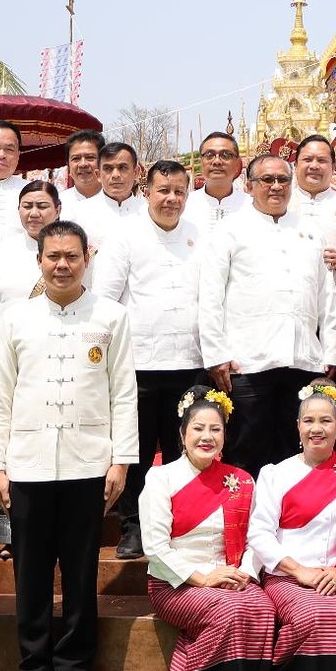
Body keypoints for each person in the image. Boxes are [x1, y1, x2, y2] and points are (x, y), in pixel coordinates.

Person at [0, 220, 139, 671]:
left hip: (89, 464)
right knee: (29, 576)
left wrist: (120, 460)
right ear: (39, 260)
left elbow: (123, 391)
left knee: (81, 572)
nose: (62, 265)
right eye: (53, 257)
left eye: (71, 256)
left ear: (86, 258)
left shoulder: (111, 316)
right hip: (26, 465)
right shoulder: (17, 318)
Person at [200, 154, 336, 478]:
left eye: (283, 180)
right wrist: (217, 355)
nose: (276, 187)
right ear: (248, 186)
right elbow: (210, 296)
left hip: (301, 358)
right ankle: (244, 525)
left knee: (296, 451)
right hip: (247, 361)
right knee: (245, 451)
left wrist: (331, 350)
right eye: (267, 180)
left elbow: (325, 296)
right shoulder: (229, 231)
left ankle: (292, 524)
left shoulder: (308, 230)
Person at [141, 389, 276, 671]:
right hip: (175, 582)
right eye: (198, 428)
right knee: (225, 608)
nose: (207, 436)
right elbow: (155, 548)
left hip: (230, 575)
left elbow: (255, 539)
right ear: (182, 435)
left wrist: (243, 573)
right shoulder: (160, 478)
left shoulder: (241, 480)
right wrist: (203, 579)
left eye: (215, 429)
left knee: (261, 606)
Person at [93, 158, 205, 556]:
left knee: (184, 449)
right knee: (136, 452)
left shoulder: (201, 235)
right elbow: (104, 300)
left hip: (190, 361)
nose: (171, 199)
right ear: (147, 192)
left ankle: (180, 524)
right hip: (138, 362)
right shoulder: (125, 236)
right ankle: (133, 527)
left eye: (179, 192)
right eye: (163, 191)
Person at [247, 381, 336, 671]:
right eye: (309, 421)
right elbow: (259, 533)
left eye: (326, 421)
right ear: (298, 427)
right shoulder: (276, 474)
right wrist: (299, 571)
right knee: (311, 614)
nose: (317, 429)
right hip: (288, 574)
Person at [292, 134, 336, 381]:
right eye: (307, 159)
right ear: (295, 164)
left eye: (322, 160)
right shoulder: (281, 204)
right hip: (291, 314)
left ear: (333, 166)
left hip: (335, 315)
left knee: (331, 393)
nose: (314, 166)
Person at [0, 179, 65, 353]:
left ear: (58, 210)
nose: (34, 213)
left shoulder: (74, 250)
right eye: (27, 206)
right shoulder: (4, 250)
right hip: (5, 343)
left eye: (42, 206)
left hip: (59, 340)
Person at [187, 131, 250, 228]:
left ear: (237, 164)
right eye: (209, 155)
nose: (217, 161)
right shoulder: (184, 206)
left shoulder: (252, 206)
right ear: (201, 163)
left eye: (225, 155)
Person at [56, 129, 110, 223]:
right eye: (76, 158)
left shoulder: (119, 201)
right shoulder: (57, 203)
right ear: (68, 164)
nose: (83, 164)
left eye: (90, 157)